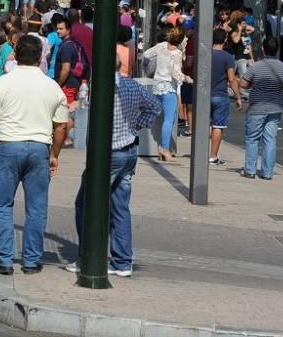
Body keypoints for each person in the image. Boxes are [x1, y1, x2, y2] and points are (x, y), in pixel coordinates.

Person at [0, 35, 70, 275]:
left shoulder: (4, 83)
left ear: (16, 55)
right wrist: (54, 154)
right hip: (40, 148)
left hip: (9, 147)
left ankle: (6, 260)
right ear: (40, 57)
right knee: (37, 207)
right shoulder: (52, 86)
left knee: (3, 204)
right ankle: (31, 261)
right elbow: (62, 125)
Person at [66, 56, 161, 276]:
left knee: (86, 204)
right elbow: (154, 107)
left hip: (108, 155)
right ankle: (122, 261)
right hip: (128, 150)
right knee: (120, 207)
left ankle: (88, 256)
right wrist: (136, 126)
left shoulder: (102, 87)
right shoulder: (131, 85)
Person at [239, 37, 283, 180]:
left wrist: (255, 85)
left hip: (257, 106)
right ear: (277, 50)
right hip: (276, 107)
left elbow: (243, 84)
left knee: (252, 138)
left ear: (263, 49)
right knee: (270, 139)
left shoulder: (256, 67)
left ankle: (250, 170)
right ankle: (267, 172)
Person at [144, 27, 193, 162]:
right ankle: (164, 148)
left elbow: (146, 54)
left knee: (163, 119)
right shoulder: (176, 53)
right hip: (168, 87)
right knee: (169, 119)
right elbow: (176, 73)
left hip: (157, 85)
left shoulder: (161, 46)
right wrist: (187, 79)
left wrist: (150, 67)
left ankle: (162, 149)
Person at [210, 28, 242, 165]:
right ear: (224, 40)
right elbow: (232, 79)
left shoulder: (204, 54)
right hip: (220, 94)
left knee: (203, 125)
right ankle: (213, 156)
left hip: (203, 95)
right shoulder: (227, 57)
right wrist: (238, 97)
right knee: (218, 126)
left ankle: (199, 153)